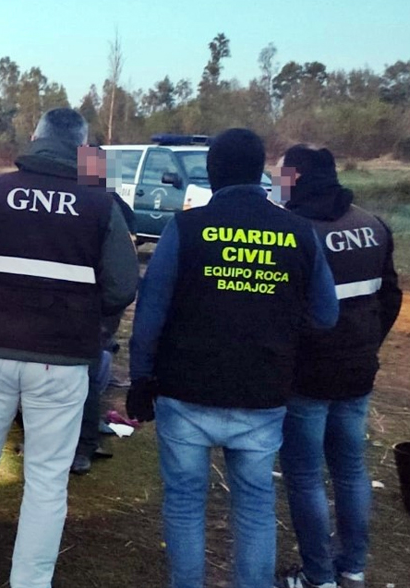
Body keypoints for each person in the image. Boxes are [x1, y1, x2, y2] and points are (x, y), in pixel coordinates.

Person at [0, 108, 139, 588]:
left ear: (35, 138)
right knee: (48, 479)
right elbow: (121, 287)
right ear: (84, 149)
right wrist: (83, 317)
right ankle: (30, 581)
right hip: (61, 361)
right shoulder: (100, 205)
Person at [127, 129, 340, 588]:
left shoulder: (184, 229)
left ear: (212, 172)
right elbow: (326, 315)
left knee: (184, 503)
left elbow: (150, 314)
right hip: (261, 392)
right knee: (255, 505)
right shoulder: (298, 231)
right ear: (260, 171)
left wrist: (141, 379)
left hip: (186, 392)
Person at [275, 145, 402, 588]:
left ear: (298, 176)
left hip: (306, 377)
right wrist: (367, 345)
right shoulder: (373, 226)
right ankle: (353, 567)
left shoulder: (294, 231)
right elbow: (390, 299)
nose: (277, 181)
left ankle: (317, 576)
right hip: (357, 372)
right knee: (351, 469)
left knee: (306, 475)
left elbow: (284, 310)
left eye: (281, 174)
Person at [72, 145, 139, 475]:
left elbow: (120, 274)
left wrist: (104, 316)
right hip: (98, 308)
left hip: (94, 307)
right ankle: (86, 436)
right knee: (88, 376)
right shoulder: (113, 205)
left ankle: (83, 447)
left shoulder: (103, 206)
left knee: (84, 379)